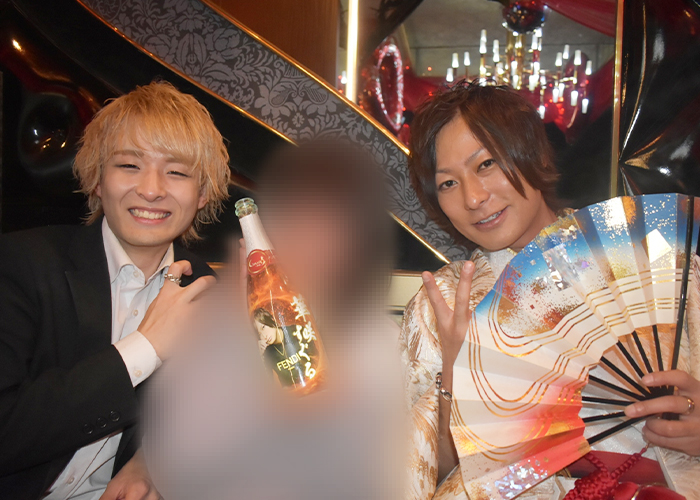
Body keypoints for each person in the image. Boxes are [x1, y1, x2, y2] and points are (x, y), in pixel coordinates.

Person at [399, 80, 700, 500]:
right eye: (448, 183)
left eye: (486, 164)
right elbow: (432, 472)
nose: (473, 198)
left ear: (535, 154)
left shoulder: (644, 251)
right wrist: (456, 373)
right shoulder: (441, 305)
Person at [0, 81, 231, 500]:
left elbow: (215, 414)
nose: (151, 189)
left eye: (177, 172)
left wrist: (149, 462)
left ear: (202, 194)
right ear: (97, 180)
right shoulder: (21, 264)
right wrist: (146, 346)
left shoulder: (204, 289)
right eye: (129, 165)